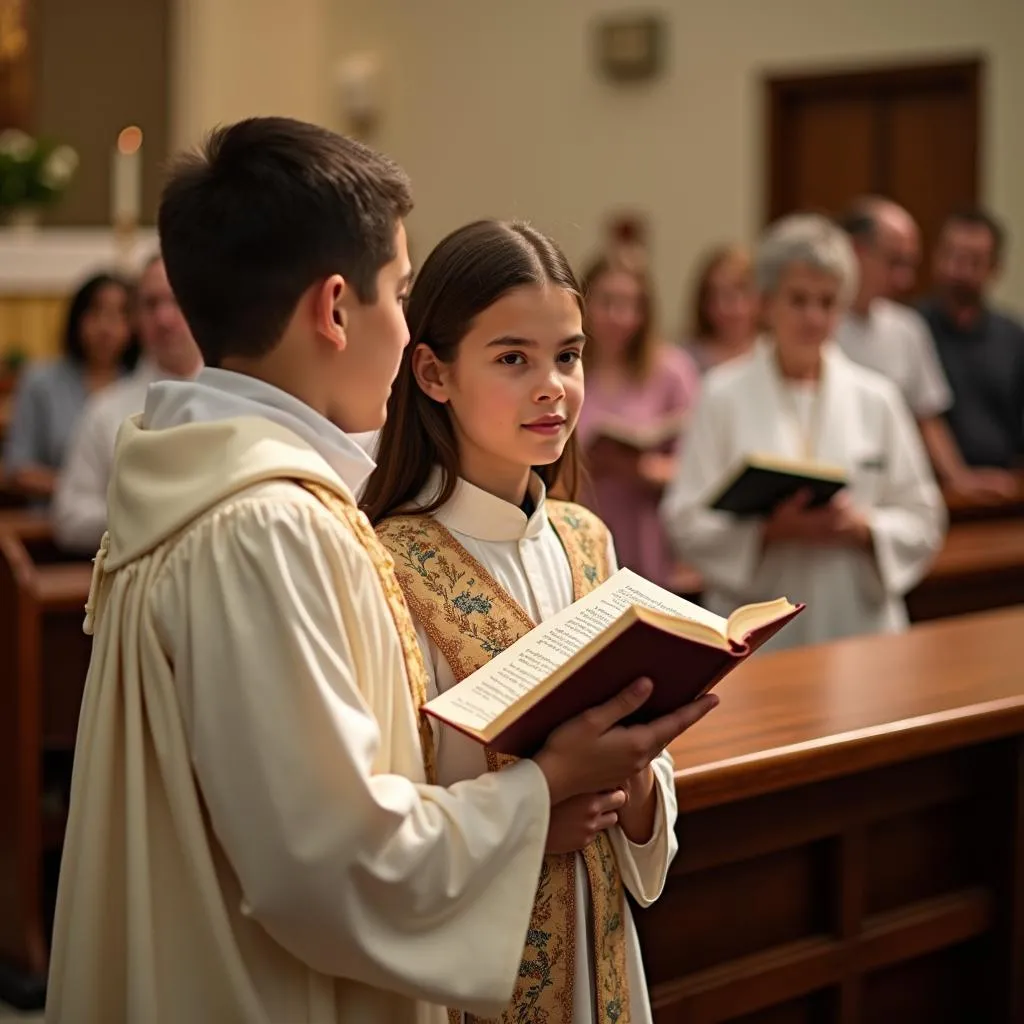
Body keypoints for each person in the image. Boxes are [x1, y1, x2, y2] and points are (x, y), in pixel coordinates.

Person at [47, 117, 714, 1024]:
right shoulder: (266, 526)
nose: (405, 331)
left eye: (568, 355)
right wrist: (541, 791)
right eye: (401, 295)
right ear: (333, 309)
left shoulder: (201, 481)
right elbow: (331, 860)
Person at [364, 220, 704, 1024]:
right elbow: (382, 808)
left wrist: (636, 782)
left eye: (569, 355)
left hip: (602, 943)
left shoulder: (587, 539)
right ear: (433, 372)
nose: (553, 386)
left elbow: (642, 784)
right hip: (478, 966)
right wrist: (529, 817)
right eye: (513, 358)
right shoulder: (387, 564)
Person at [661, 213, 946, 651]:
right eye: (798, 299)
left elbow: (924, 519)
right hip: (758, 630)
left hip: (858, 622)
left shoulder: (878, 398)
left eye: (828, 302)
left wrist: (863, 526)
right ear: (767, 302)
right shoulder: (722, 394)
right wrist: (770, 531)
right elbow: (684, 521)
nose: (813, 317)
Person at [835, 200, 1005, 499]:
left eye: (910, 264)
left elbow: (928, 418)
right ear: (857, 250)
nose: (906, 279)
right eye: (894, 262)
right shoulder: (819, 324)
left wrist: (959, 478)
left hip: (890, 486)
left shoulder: (907, 328)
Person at [52, 254, 203, 552]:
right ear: (135, 317)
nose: (163, 318)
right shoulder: (105, 411)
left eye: (176, 301)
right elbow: (70, 517)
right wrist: (141, 519)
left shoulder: (237, 399)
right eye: (150, 304)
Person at [574, 255, 700, 590]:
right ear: (584, 304)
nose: (620, 317)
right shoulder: (568, 367)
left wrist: (639, 469)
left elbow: (699, 468)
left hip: (652, 539)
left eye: (632, 305)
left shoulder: (672, 370)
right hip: (582, 525)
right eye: (608, 303)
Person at [2, 271, 135, 502]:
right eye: (95, 311)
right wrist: (84, 490)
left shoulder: (142, 383)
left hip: (132, 524)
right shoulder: (40, 382)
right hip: (50, 525)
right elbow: (17, 469)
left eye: (118, 315)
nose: (106, 327)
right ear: (77, 318)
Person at [918, 209, 1024, 481]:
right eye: (952, 255)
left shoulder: (1012, 337)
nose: (959, 270)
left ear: (995, 268)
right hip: (932, 487)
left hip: (1004, 488)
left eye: (974, 261)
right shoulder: (912, 328)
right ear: (936, 257)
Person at [684, 245, 759, 374]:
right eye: (714, 295)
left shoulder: (778, 354)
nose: (725, 307)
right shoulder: (685, 361)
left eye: (737, 292)